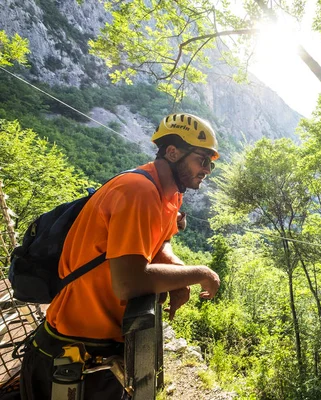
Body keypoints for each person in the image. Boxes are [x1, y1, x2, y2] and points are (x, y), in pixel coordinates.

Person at [20, 113, 222, 400]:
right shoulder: (138, 191)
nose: (207, 170)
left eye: (210, 163)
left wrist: (176, 270)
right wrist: (202, 273)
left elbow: (160, 241)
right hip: (75, 349)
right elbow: (129, 282)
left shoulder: (169, 192)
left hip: (105, 345)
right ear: (173, 152)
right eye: (202, 160)